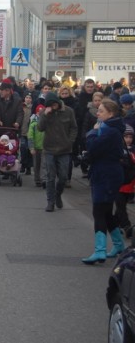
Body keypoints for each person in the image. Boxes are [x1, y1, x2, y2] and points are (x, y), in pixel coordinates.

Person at [82, 99, 126, 264]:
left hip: (106, 175)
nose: (98, 113)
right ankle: (118, 244)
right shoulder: (110, 128)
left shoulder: (110, 131)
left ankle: (100, 250)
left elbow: (93, 147)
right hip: (105, 173)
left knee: (99, 211)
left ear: (111, 114)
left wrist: (92, 132)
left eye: (101, 111)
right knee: (106, 211)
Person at [37, 91, 78, 212]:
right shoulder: (44, 112)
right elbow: (40, 128)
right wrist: (45, 115)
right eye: (50, 105)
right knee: (50, 177)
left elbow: (74, 128)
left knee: (63, 177)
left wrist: (70, 141)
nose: (53, 107)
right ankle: (50, 201)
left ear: (57, 102)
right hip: (49, 149)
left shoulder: (69, 111)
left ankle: (58, 193)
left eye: (54, 105)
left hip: (64, 149)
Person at [115, 124, 135, 239]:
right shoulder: (118, 150)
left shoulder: (133, 150)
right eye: (126, 137)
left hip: (129, 183)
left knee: (121, 206)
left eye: (130, 137)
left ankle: (114, 225)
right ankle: (127, 226)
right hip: (118, 182)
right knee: (121, 206)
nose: (128, 139)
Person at [28, 105, 46, 187]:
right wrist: (31, 147)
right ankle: (37, 179)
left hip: (45, 147)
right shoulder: (33, 124)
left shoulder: (47, 122)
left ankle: (44, 179)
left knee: (44, 164)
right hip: (36, 147)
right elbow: (30, 136)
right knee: (36, 164)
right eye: (39, 112)